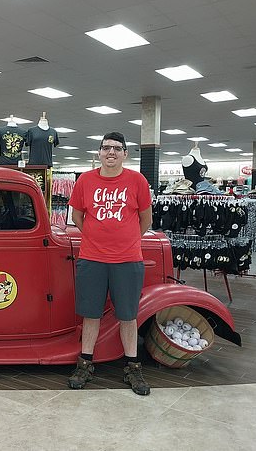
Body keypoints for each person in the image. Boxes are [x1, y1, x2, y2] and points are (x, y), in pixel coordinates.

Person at [67, 132, 153, 395]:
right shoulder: (85, 180)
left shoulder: (137, 180)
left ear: (125, 153)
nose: (111, 152)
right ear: (99, 153)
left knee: (128, 316)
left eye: (117, 148)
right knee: (90, 314)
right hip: (92, 259)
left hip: (128, 260)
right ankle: (85, 364)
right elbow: (78, 216)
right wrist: (97, 238)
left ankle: (133, 367)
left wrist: (125, 242)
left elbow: (145, 219)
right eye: (106, 148)